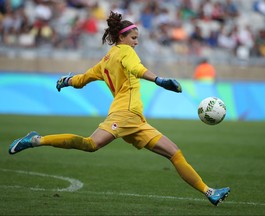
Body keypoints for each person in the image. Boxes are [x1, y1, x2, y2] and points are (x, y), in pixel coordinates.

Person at [8, 11, 230, 206]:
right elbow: (137, 68)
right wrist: (160, 80)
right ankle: (37, 139)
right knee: (91, 144)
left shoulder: (105, 60)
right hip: (125, 114)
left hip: (136, 121)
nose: (136, 42)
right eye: (133, 38)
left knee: (174, 153)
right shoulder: (125, 51)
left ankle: (208, 191)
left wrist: (67, 80)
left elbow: (83, 78)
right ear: (121, 37)